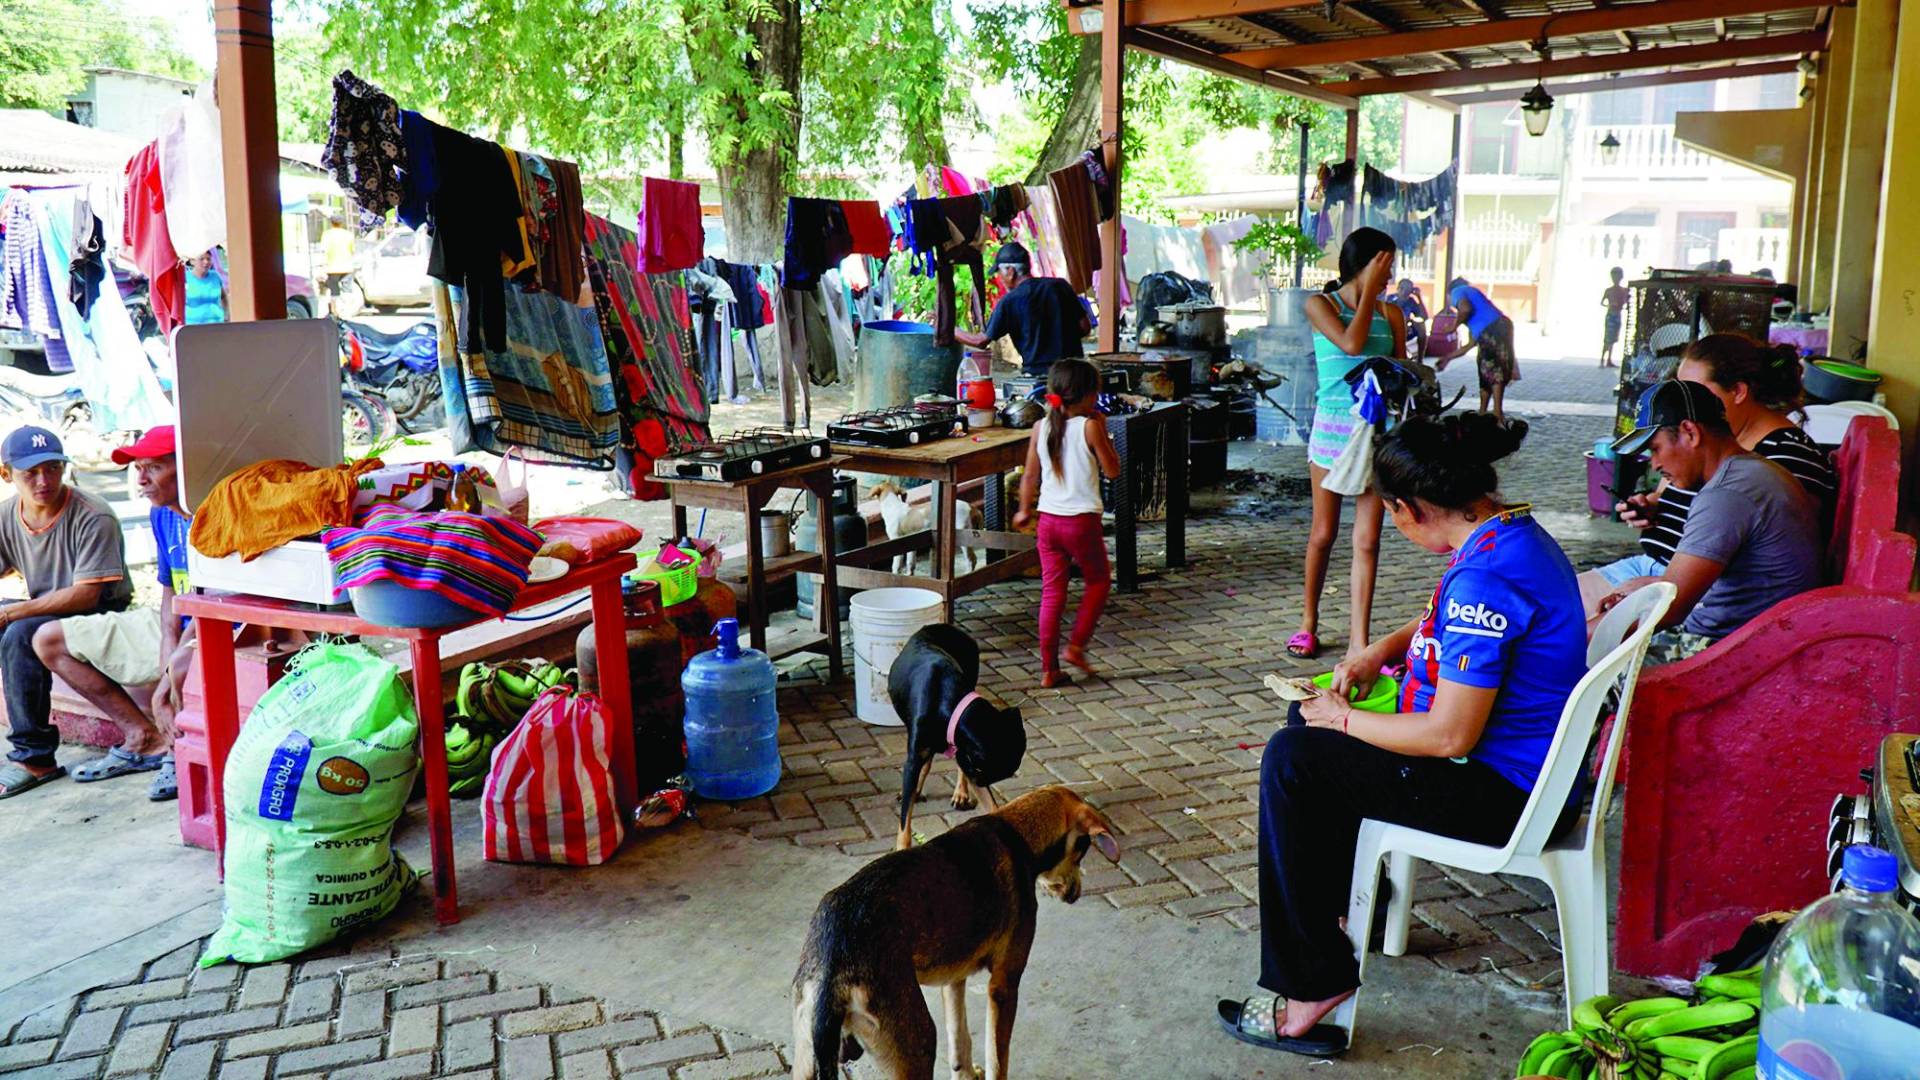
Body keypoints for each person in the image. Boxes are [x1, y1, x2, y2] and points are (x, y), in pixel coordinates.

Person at [1217, 413, 1586, 1057]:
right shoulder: (1507, 535)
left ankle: (1312, 984)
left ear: (1408, 507)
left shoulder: (1485, 579)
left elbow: (1449, 735)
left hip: (1504, 798)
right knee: (1303, 735)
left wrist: (1344, 718)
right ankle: (1343, 910)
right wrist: (1376, 653)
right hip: (1519, 773)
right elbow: (1444, 628)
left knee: (1294, 756)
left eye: (1389, 512)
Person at [1579, 335, 1835, 618]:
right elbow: (1690, 506)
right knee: (1547, 608)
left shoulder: (1781, 457)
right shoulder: (1717, 451)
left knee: (1555, 628)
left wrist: (1654, 588)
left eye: (1694, 390)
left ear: (1738, 391)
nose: (1683, 401)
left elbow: (1771, 560)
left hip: (1690, 593)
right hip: (1660, 573)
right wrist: (1653, 505)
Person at [1595, 380, 1824, 662]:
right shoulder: (1750, 472)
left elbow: (1670, 609)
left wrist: (1571, 639)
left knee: (1570, 669)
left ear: (1689, 432)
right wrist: (1650, 587)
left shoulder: (1728, 493)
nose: (1653, 464)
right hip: (1747, 636)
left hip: (1727, 652)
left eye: (1655, 448)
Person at [31, 427, 193, 801]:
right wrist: (167, 657)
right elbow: (171, 599)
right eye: (138, 468)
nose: (141, 479)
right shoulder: (161, 515)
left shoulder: (210, 512)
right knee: (47, 639)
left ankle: (179, 750)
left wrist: (166, 683)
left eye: (153, 467)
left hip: (218, 629)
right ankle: (145, 739)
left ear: (185, 467)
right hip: (177, 624)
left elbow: (207, 607)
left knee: (184, 667)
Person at [0, 427, 138, 800]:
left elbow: (87, 595)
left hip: (99, 610)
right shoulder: (7, 514)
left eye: (52, 469)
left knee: (18, 633)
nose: (43, 481)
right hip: (44, 609)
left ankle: (35, 757)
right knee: (18, 625)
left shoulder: (93, 515)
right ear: (6, 474)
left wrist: (12, 614)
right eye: (30, 473)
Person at [1295, 227, 1405, 660]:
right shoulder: (1320, 305)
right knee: (1323, 533)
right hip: (1331, 431)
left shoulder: (1391, 313)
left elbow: (1399, 368)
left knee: (1368, 540)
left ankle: (1359, 639)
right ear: (1367, 261)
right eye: (1386, 264)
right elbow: (1352, 342)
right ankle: (1308, 623)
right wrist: (1362, 295)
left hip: (1375, 429)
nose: (1391, 273)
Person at [1011, 357, 1121, 688]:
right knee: (1099, 582)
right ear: (1088, 396)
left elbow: (1030, 474)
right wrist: (1103, 429)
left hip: (1048, 523)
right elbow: (1113, 470)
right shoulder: (1089, 427)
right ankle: (1075, 648)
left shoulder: (1039, 427)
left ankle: (1049, 670)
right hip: (1081, 523)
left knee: (1052, 593)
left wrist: (1023, 509)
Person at [953, 242, 1090, 378]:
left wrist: (949, 329)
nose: (1000, 279)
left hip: (1038, 376)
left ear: (1010, 272)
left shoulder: (1009, 302)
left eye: (1000, 273)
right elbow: (1085, 327)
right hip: (1074, 372)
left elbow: (981, 341)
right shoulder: (1060, 286)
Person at [1431, 277, 1519, 422]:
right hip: (1501, 326)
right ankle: (1483, 412)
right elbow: (1468, 346)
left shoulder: (1458, 291)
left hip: (1494, 329)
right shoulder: (1479, 313)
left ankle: (1497, 413)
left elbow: (1465, 308)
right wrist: (1447, 358)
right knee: (1485, 368)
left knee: (1493, 368)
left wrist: (1453, 326)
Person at [321, 215, 355, 316]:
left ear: (331, 223)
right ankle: (346, 312)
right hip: (347, 267)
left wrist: (322, 267)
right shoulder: (349, 234)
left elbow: (324, 251)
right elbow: (352, 250)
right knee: (347, 291)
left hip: (332, 268)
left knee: (334, 292)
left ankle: (335, 312)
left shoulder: (327, 234)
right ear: (342, 223)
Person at [1388, 277, 1428, 359]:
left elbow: (1424, 317)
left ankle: (1420, 359)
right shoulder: (1391, 299)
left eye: (1408, 290)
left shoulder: (1411, 301)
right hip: (1392, 328)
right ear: (1399, 288)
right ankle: (1401, 353)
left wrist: (1419, 297)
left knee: (1421, 325)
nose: (1405, 292)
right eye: (1403, 289)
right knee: (1403, 321)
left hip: (1406, 328)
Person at [1599, 267, 1630, 368]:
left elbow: (1626, 302)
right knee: (1608, 338)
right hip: (1611, 315)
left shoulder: (1623, 290)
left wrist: (1625, 301)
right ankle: (1602, 360)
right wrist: (1610, 305)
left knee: (1613, 339)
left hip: (1617, 315)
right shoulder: (1609, 290)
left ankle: (1608, 360)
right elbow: (1602, 303)